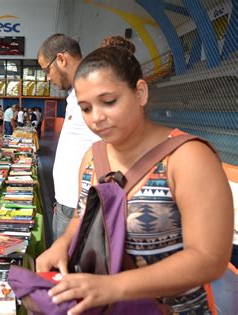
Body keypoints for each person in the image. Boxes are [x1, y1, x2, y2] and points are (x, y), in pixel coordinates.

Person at [36, 39, 233, 314]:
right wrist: (63, 242)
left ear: (140, 93)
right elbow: (84, 215)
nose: (97, 118)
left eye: (109, 102)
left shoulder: (188, 158)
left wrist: (114, 286)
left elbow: (209, 259)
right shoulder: (92, 158)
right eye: (86, 108)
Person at [37, 33, 100, 241]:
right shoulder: (75, 94)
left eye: (47, 70)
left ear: (61, 60)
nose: (47, 77)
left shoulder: (91, 92)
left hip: (77, 207)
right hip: (68, 203)